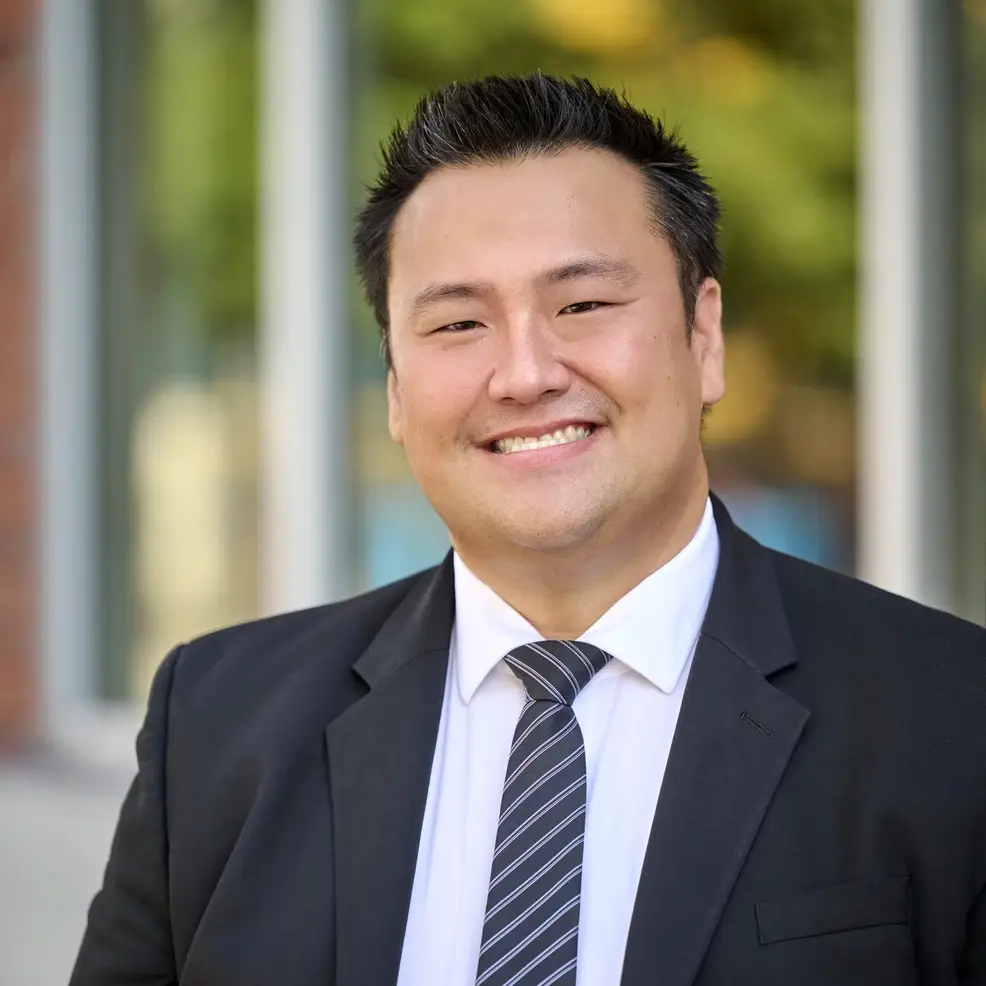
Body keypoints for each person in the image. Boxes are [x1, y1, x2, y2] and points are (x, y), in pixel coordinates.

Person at [70, 74, 986, 986]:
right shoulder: (219, 721)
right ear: (394, 387)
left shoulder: (953, 717)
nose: (524, 373)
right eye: (459, 322)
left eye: (581, 305)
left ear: (702, 337)